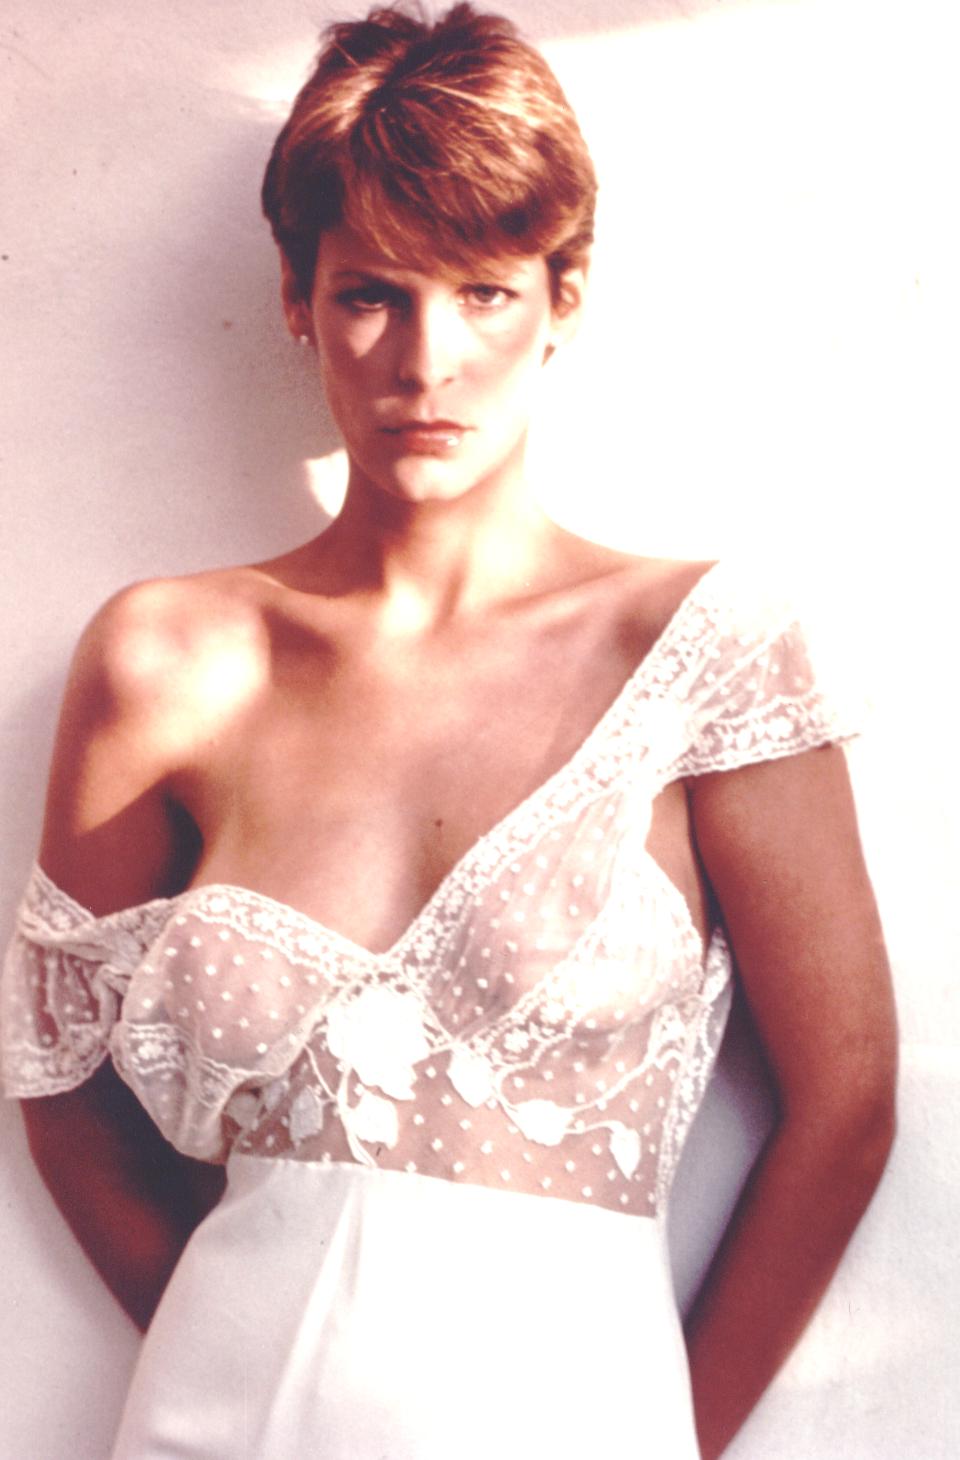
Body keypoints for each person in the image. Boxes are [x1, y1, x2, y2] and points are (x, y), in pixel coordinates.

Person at [0, 5, 897, 1457]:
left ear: (566, 296)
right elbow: (61, 1090)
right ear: (296, 298)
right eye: (372, 293)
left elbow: (845, 1107)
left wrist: (674, 1436)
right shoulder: (167, 659)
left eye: (484, 292)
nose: (428, 361)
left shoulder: (705, 653)